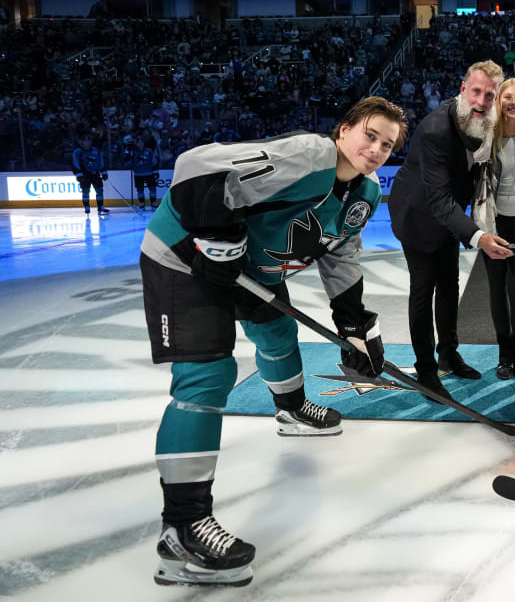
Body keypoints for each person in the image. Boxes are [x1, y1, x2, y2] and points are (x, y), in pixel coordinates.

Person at [140, 97, 407, 586]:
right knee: (207, 375)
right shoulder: (310, 156)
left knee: (279, 330)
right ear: (343, 129)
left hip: (248, 272)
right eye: (370, 134)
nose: (377, 149)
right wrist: (218, 235)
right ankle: (182, 527)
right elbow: (194, 168)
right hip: (186, 258)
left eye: (388, 144)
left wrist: (355, 327)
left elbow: (341, 257)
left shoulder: (364, 193)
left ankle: (291, 409)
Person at [388, 61, 514, 402]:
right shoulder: (435, 130)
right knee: (423, 289)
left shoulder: (486, 122)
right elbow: (439, 199)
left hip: (449, 215)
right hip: (417, 215)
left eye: (490, 94)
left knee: (449, 284)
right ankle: (426, 371)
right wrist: (478, 236)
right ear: (463, 89)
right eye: (476, 91)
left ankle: (448, 352)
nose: (482, 100)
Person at [477, 77, 515, 379]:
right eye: (508, 97)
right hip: (495, 223)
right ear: (498, 102)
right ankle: (505, 353)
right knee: (496, 290)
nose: (513, 103)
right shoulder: (487, 138)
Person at [72, 134, 108, 215]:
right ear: (82, 142)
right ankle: (87, 207)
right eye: (85, 141)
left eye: (89, 141)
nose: (87, 143)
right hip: (84, 175)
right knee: (85, 191)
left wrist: (104, 172)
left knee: (99, 190)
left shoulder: (96, 150)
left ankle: (100, 206)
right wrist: (79, 174)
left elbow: (100, 162)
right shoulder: (78, 152)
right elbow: (75, 164)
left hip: (95, 173)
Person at [131, 135, 160, 210]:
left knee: (152, 188)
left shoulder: (149, 151)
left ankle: (153, 203)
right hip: (138, 174)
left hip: (149, 173)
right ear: (136, 144)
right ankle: (142, 203)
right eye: (138, 143)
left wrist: (155, 172)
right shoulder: (133, 151)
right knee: (140, 189)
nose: (140, 144)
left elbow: (154, 162)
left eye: (142, 142)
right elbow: (128, 161)